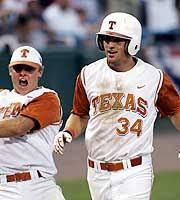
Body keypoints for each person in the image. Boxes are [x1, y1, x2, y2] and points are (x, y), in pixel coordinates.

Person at [54, 12, 180, 200]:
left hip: (135, 170)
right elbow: (80, 114)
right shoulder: (89, 74)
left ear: (133, 43)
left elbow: (176, 110)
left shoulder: (153, 77)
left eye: (117, 40)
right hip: (96, 172)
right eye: (106, 39)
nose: (110, 45)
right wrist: (68, 132)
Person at [0, 45, 65, 200]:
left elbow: (19, 126)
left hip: (37, 186)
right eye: (18, 68)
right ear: (10, 70)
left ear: (40, 72)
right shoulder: (2, 97)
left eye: (29, 69)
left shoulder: (47, 97)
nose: (23, 73)